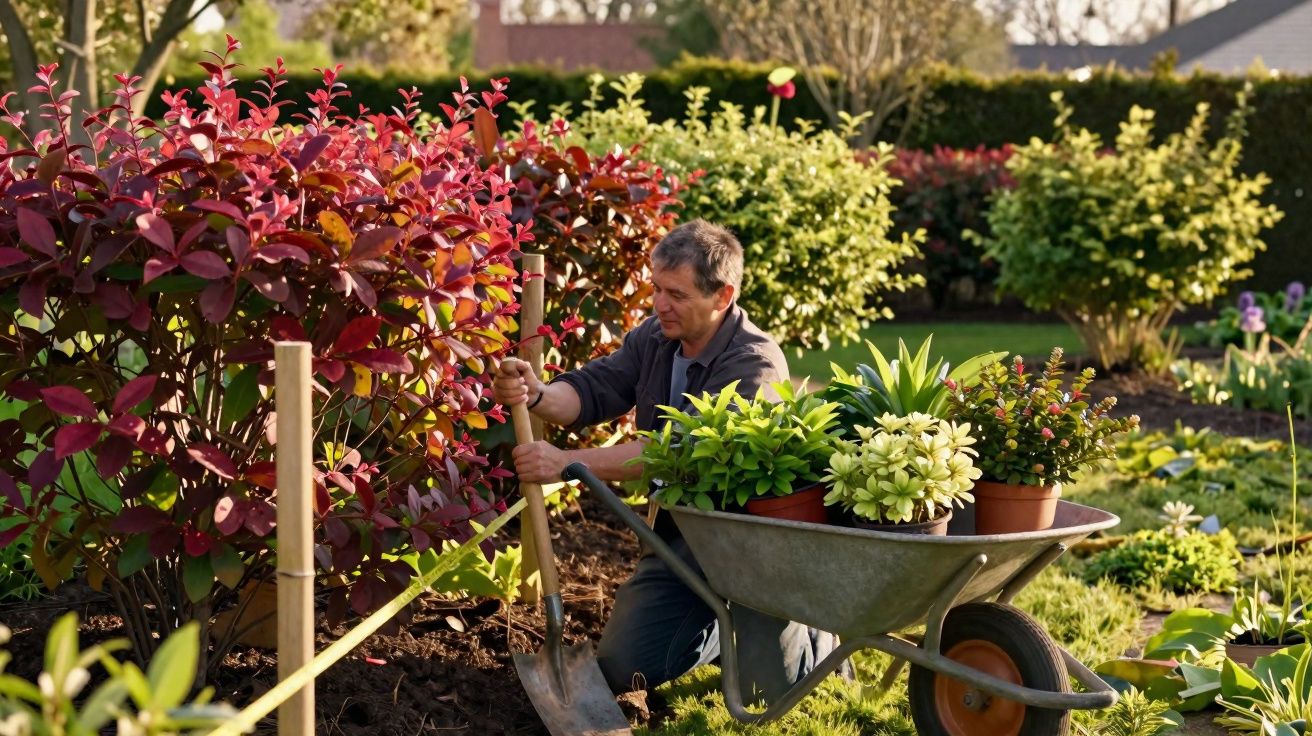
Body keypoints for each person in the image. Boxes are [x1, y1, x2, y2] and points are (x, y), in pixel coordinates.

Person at [493, 219, 840, 703]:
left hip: (754, 546)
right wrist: (538, 393)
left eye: (676, 294)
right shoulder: (655, 338)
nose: (660, 304)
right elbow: (595, 389)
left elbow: (679, 454)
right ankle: (718, 629)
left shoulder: (753, 364)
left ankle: (811, 632)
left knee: (776, 693)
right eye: (656, 288)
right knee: (623, 667)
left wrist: (567, 462)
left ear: (723, 296)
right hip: (685, 537)